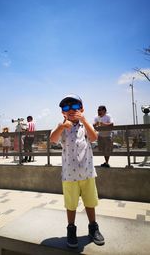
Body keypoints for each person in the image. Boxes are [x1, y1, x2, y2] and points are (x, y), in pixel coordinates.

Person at [50, 94, 104, 248]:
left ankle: (93, 228)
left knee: (90, 202)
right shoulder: (61, 126)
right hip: (69, 175)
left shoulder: (85, 126)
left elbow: (93, 138)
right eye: (66, 108)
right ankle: (71, 229)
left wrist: (85, 121)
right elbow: (53, 139)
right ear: (63, 112)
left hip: (87, 173)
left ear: (81, 109)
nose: (71, 110)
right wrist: (61, 126)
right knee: (71, 205)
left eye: (74, 107)